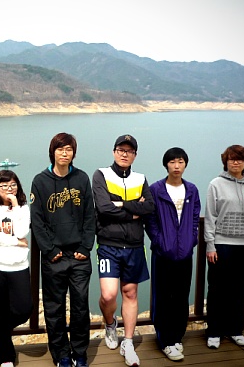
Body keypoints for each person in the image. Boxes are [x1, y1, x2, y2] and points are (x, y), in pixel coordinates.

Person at [30, 132, 95, 367]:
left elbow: (90, 216)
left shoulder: (81, 178)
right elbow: (37, 219)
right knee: (54, 308)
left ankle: (80, 352)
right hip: (53, 258)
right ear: (53, 152)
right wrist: (49, 250)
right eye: (60, 149)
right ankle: (61, 355)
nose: (64, 153)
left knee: (80, 307)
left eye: (68, 149)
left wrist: (85, 246)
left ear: (73, 153)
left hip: (79, 256)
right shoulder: (40, 181)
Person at [93, 134, 154, 367]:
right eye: (121, 150)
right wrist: (133, 211)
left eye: (129, 151)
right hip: (109, 244)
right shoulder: (101, 175)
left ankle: (128, 342)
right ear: (114, 152)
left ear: (135, 155)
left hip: (135, 246)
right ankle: (110, 323)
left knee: (130, 293)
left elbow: (149, 207)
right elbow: (103, 208)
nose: (124, 154)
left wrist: (121, 204)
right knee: (108, 295)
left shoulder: (141, 178)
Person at [204, 144, 244, 349]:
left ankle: (235, 330)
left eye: (240, 159)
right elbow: (210, 216)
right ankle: (214, 332)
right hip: (221, 245)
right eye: (231, 159)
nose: (235, 162)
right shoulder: (216, 184)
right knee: (217, 289)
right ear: (225, 162)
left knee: (238, 289)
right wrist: (210, 245)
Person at [145, 147, 201, 362]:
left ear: (185, 164)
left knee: (181, 296)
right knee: (162, 297)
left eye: (180, 162)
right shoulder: (156, 189)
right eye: (172, 162)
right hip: (163, 253)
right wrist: (159, 242)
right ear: (166, 165)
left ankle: (177, 336)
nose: (176, 166)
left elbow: (194, 218)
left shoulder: (191, 190)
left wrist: (191, 239)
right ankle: (165, 340)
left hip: (185, 253)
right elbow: (150, 220)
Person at [0, 170, 33, 367]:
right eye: (4, 185)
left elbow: (22, 231)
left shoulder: (23, 208)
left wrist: (15, 205)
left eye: (13, 185)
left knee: (24, 309)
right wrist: (15, 242)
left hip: (18, 267)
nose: (9, 189)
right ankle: (5, 357)